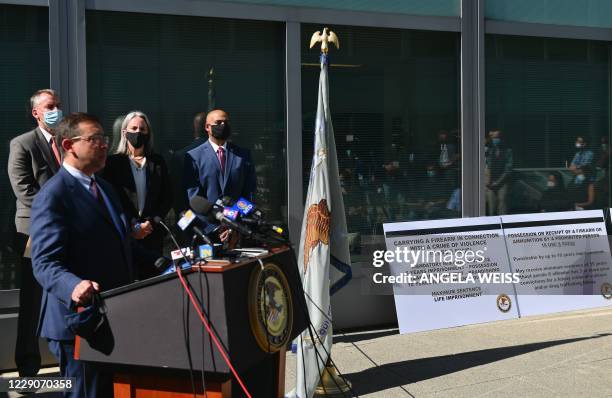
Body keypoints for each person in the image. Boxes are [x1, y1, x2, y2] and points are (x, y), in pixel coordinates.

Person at [30, 113, 155, 398]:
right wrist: (73, 285)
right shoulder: (54, 195)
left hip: (113, 316)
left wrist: (165, 262)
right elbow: (45, 263)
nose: (103, 145)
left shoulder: (105, 188)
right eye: (94, 139)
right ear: (68, 145)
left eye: (104, 139)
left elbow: (122, 243)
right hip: (79, 323)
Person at [7, 89, 63, 377]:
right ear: (36, 112)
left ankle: (68, 365)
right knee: (32, 301)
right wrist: (59, 211)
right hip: (34, 233)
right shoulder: (22, 144)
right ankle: (28, 370)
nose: (56, 110)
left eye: (58, 106)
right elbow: (24, 189)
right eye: (50, 106)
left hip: (67, 232)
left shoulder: (67, 143)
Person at [102, 111, 172, 278]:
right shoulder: (113, 163)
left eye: (143, 129)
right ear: (124, 132)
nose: (138, 132)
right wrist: (132, 225)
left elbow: (167, 196)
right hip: (126, 235)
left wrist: (151, 222)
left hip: (152, 234)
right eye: (134, 128)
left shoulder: (157, 162)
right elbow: (112, 199)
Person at [184, 109, 256, 242]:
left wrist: (234, 226)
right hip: (207, 232)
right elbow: (194, 198)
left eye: (226, 122)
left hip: (237, 231)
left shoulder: (243, 155)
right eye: (218, 122)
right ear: (207, 127)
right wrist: (214, 227)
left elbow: (248, 192)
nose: (223, 125)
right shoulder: (193, 157)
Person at [485, 129, 513, 215]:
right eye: (493, 137)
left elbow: (508, 169)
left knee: (502, 203)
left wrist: (498, 182)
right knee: (491, 206)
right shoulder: (489, 150)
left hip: (502, 182)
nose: (495, 139)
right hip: (490, 182)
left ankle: (503, 224)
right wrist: (488, 181)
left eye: (497, 137)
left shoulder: (508, 151)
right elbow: (488, 166)